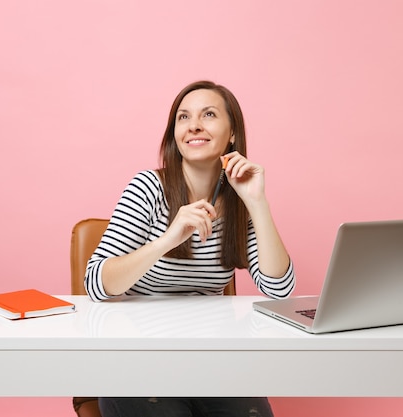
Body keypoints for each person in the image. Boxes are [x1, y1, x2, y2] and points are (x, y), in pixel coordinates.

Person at [81, 80, 296, 417]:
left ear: (233, 133)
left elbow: (279, 288)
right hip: (138, 360)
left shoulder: (239, 200)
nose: (194, 125)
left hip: (211, 362)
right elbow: (96, 283)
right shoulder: (148, 188)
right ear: (175, 133)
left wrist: (257, 202)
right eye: (183, 117)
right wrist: (168, 239)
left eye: (208, 114)